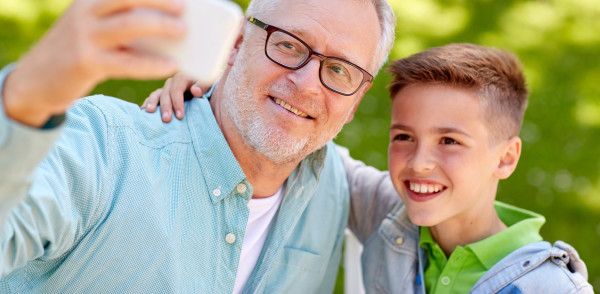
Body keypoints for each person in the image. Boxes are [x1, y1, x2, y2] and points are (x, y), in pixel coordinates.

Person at [0, 0, 397, 293]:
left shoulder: (333, 183)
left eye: (340, 70)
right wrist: (30, 96)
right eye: (288, 45)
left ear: (358, 98)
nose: (307, 84)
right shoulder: (105, 150)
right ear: (238, 43)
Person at [147, 43, 593, 293]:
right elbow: (313, 150)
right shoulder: (390, 213)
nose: (419, 163)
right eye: (404, 137)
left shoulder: (548, 288)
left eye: (450, 142)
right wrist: (232, 94)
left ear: (506, 157)